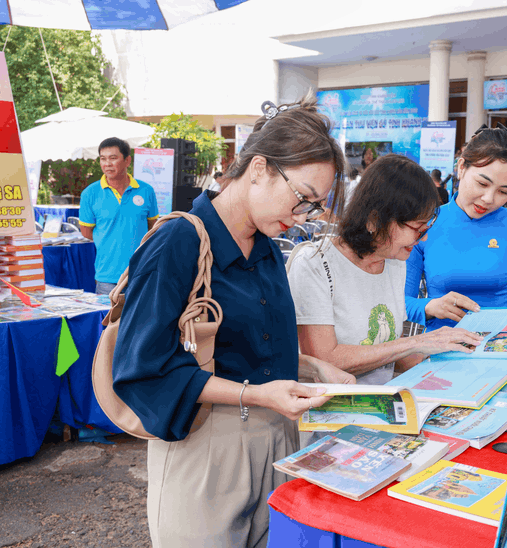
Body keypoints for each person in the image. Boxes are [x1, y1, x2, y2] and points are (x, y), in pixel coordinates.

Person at [111, 96, 356, 548]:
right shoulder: (177, 242)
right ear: (259, 168)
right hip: (206, 445)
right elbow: (143, 368)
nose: (302, 217)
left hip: (278, 441)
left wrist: (310, 367)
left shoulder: (266, 245)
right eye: (302, 198)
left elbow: (249, 344)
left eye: (313, 207)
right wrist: (254, 394)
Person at [288, 155, 483, 384]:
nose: (423, 238)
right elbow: (323, 359)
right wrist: (417, 342)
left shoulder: (394, 261)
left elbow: (391, 353)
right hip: (330, 410)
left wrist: (449, 360)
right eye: (417, 229)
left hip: (385, 399)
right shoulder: (315, 263)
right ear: (374, 220)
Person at [405, 124, 507, 333]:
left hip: (499, 349)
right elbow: (400, 301)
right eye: (482, 184)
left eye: (503, 191)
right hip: (438, 350)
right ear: (461, 168)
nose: (489, 199)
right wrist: (430, 306)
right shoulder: (425, 222)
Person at [79, 137, 159, 295]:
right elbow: (86, 232)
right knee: (109, 320)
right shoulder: (90, 193)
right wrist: (111, 241)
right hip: (107, 277)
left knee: (142, 319)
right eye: (103, 159)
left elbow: (152, 228)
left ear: (127, 160)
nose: (107, 164)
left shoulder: (146, 190)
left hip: (141, 274)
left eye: (113, 158)